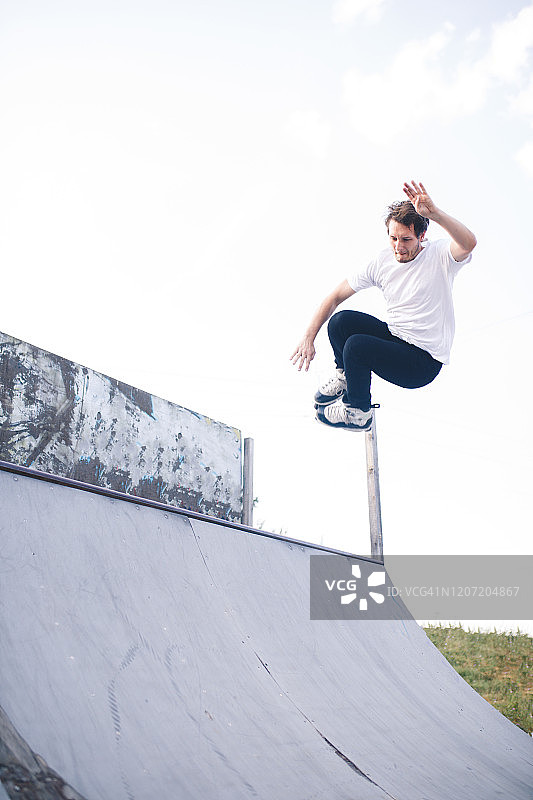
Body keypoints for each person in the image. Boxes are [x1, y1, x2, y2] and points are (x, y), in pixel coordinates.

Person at [290, 180, 477, 431]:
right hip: (396, 339)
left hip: (422, 362)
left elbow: (468, 243)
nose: (398, 247)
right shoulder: (382, 262)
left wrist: (435, 214)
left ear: (422, 236)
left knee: (356, 346)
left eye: (407, 240)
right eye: (393, 238)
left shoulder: (440, 255)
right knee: (341, 321)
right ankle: (345, 375)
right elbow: (334, 297)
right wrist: (308, 338)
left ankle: (358, 412)